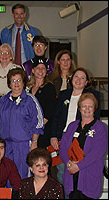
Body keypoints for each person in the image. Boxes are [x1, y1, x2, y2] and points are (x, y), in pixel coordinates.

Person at [50, 67, 101, 195]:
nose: (78, 80)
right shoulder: (63, 95)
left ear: (87, 82)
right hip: (64, 139)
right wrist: (53, 136)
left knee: (82, 172)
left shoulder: (92, 96)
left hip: (83, 139)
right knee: (63, 171)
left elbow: (96, 118)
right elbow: (55, 117)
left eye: (82, 78)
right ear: (71, 79)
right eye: (76, 77)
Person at [0, 68, 44, 179]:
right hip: (6, 145)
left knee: (22, 176)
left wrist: (34, 142)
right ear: (9, 83)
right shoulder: (3, 100)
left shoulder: (30, 100)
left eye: (19, 80)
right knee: (5, 175)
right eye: (13, 81)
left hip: (23, 144)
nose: (16, 84)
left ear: (23, 82)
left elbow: (38, 123)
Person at [59, 93, 108, 199]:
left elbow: (97, 152)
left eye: (90, 106)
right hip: (71, 175)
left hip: (89, 176)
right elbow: (62, 147)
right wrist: (68, 164)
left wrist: (78, 166)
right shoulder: (72, 126)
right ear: (79, 108)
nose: (87, 109)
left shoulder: (100, 128)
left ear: (94, 108)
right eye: (84, 106)